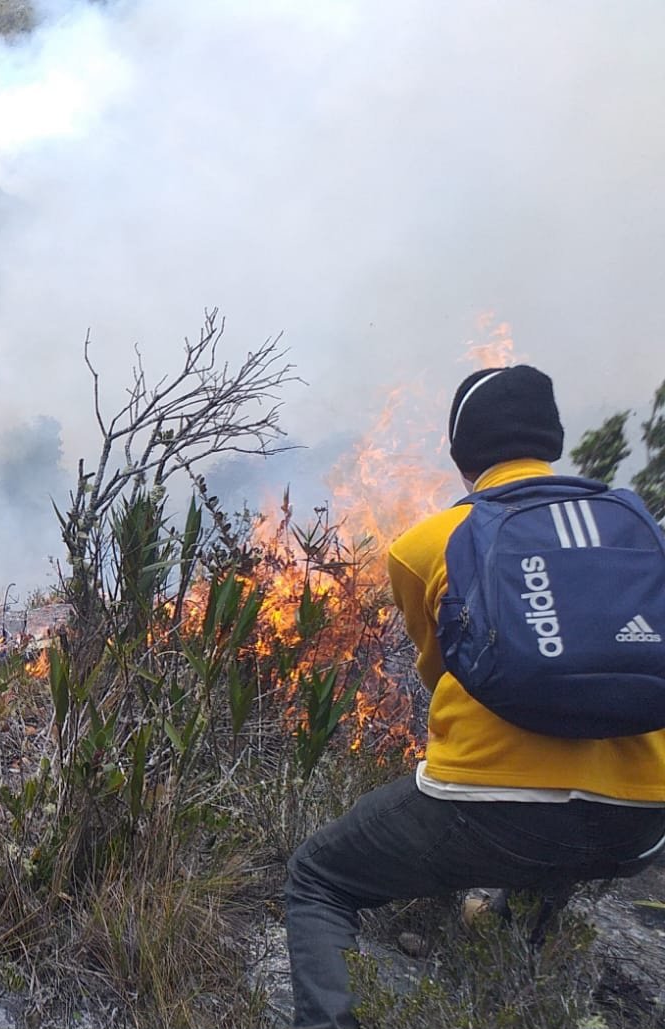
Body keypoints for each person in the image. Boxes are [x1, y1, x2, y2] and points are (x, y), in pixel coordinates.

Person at [284, 365, 665, 1028]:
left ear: (460, 453)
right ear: (551, 438)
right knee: (562, 834)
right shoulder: (637, 526)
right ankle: (515, 937)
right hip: (641, 821)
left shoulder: (424, 544)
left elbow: (445, 673)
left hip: (489, 810)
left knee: (318, 876)